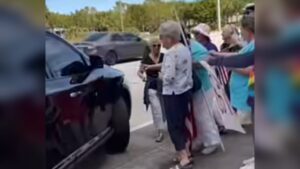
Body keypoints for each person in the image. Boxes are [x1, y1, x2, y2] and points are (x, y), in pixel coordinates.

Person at [158, 20, 193, 169]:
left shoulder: (171, 53)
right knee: (182, 121)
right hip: (184, 90)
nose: (161, 41)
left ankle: (183, 157)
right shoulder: (184, 49)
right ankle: (185, 152)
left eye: (162, 38)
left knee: (174, 126)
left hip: (172, 93)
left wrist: (161, 75)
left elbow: (169, 76)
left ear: (169, 38)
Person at [192, 24, 226, 134]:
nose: (195, 36)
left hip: (211, 76)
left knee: (213, 103)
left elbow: (211, 62)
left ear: (203, 35)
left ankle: (221, 124)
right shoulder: (198, 46)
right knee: (211, 104)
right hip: (205, 77)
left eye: (197, 33)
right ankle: (220, 123)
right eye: (194, 33)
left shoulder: (210, 47)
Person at [137, 38, 165, 142]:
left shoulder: (163, 57)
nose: (157, 47)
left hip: (164, 86)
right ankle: (160, 131)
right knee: (156, 109)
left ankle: (168, 127)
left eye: (159, 45)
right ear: (150, 47)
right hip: (152, 86)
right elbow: (139, 72)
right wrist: (142, 77)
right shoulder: (146, 59)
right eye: (154, 46)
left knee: (164, 108)